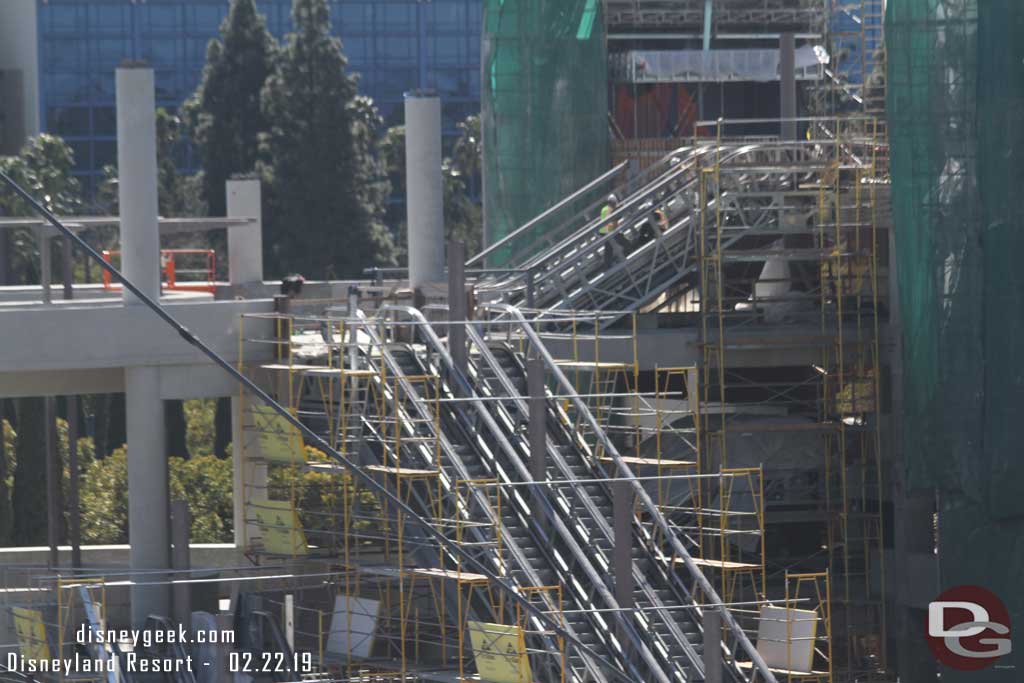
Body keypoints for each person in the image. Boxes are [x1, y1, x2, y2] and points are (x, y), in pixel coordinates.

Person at [599, 194, 628, 268]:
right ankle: (625, 257)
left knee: (609, 248)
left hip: (603, 232)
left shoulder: (604, 209)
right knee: (625, 244)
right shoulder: (611, 209)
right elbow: (613, 223)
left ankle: (608, 265)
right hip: (609, 231)